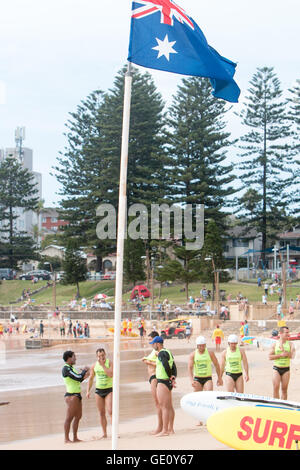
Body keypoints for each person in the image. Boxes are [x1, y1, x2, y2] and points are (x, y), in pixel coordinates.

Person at [149, 336, 176, 437]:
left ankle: (165, 430)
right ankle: (171, 429)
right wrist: (173, 377)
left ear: (158, 344)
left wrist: (169, 377)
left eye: (153, 343)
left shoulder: (161, 353)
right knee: (169, 406)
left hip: (163, 382)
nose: (152, 345)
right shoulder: (168, 352)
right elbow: (173, 366)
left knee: (164, 407)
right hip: (167, 382)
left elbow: (166, 365)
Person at [62, 350, 89, 443]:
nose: (75, 358)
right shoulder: (66, 368)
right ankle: (66, 439)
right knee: (69, 418)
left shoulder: (71, 367)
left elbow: (77, 380)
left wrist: (85, 376)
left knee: (78, 416)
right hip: (71, 396)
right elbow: (77, 377)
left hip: (77, 395)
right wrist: (84, 371)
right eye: (74, 356)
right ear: (69, 358)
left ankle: (75, 437)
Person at [86, 348, 113, 439]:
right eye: (99, 356)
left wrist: (103, 366)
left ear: (105, 354)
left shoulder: (109, 363)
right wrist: (88, 391)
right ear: (97, 357)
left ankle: (114, 432)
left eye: (103, 355)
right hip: (99, 390)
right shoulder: (94, 366)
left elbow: (111, 374)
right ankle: (104, 433)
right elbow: (91, 378)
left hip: (109, 389)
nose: (101, 357)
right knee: (101, 413)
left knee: (111, 411)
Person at [142, 331, 163, 435]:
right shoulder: (153, 351)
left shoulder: (157, 352)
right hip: (152, 378)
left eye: (150, 340)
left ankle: (160, 427)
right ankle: (162, 426)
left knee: (158, 403)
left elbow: (160, 363)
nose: (149, 342)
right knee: (158, 403)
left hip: (155, 377)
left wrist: (147, 362)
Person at [269, 326, 295, 400]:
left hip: (286, 369)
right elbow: (270, 357)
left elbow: (292, 356)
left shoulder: (290, 344)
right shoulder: (275, 344)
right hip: (276, 368)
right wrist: (280, 355)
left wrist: (287, 353)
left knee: (284, 390)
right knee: (276, 388)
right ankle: (276, 406)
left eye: (288, 332)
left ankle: (283, 407)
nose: (288, 334)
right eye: (286, 332)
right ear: (280, 333)